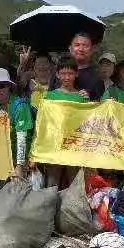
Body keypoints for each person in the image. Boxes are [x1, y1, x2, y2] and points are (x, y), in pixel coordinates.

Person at [44, 56, 87, 188]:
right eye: (63, 73)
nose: (67, 77)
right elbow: (44, 123)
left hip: (75, 145)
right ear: (57, 74)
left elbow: (87, 120)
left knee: (75, 185)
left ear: (76, 73)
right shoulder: (50, 96)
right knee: (52, 184)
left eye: (70, 73)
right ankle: (51, 208)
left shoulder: (82, 97)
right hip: (54, 146)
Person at [0, 68, 35, 178]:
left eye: (1, 85)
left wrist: (19, 165)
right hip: (2, 157)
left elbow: (22, 138)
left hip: (21, 160)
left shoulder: (21, 106)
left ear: (9, 86)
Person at [48, 33, 105, 101]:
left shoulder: (97, 78)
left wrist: (88, 100)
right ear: (70, 48)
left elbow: (100, 105)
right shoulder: (58, 72)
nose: (81, 49)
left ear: (91, 50)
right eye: (77, 45)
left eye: (85, 46)